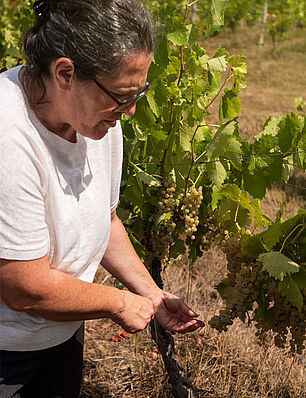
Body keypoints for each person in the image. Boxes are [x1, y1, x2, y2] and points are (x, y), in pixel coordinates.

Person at [0, 0, 204, 396]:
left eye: (138, 93)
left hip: (58, 335)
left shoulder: (98, 119)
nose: (128, 111)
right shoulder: (8, 138)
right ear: (64, 73)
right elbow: (23, 286)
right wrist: (117, 303)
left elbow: (104, 221)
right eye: (123, 96)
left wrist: (152, 295)